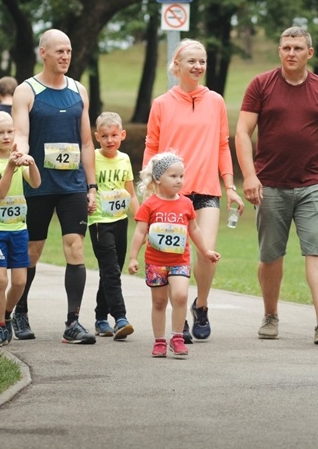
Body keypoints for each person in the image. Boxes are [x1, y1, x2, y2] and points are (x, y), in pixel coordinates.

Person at [234, 26, 318, 344]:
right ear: (279, 50)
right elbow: (243, 132)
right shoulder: (261, 85)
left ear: (309, 53)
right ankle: (271, 314)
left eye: (298, 48)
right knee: (271, 256)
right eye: (286, 47)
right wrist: (249, 175)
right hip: (270, 184)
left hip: (313, 184)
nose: (291, 53)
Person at [143, 38, 244, 343]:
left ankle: (201, 305)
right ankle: (179, 318)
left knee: (205, 252)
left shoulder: (215, 101)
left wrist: (230, 186)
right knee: (174, 256)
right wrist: (149, 189)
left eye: (202, 61)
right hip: (170, 194)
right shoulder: (161, 104)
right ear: (177, 66)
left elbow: (223, 145)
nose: (198, 66)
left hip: (207, 190)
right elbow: (151, 147)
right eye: (191, 61)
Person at [11, 29, 99, 344]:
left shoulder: (79, 90)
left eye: (69, 51)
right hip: (38, 183)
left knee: (75, 247)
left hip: (72, 184)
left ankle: (73, 322)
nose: (65, 57)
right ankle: (19, 311)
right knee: (33, 250)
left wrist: (92, 185)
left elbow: (87, 143)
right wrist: (21, 152)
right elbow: (20, 132)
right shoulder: (26, 91)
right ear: (43, 53)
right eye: (59, 51)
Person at [128, 152, 221, 357]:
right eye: (174, 176)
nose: (179, 180)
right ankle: (159, 341)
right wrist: (133, 257)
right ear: (158, 178)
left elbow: (194, 230)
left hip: (179, 261)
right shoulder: (150, 204)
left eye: (181, 176)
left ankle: (177, 337)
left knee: (180, 296)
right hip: (155, 262)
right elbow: (140, 232)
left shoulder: (186, 203)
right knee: (159, 302)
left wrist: (205, 251)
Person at [0, 111, 41, 346]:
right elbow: (1, 192)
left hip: (19, 229)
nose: (6, 137)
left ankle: (6, 314)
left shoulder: (18, 156)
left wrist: (31, 163)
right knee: (0, 281)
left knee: (19, 283)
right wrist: (11, 167)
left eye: (9, 131)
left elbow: (35, 183)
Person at [89, 112, 140, 340]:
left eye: (114, 135)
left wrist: (142, 221)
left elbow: (130, 193)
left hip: (120, 220)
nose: (110, 140)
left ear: (123, 134)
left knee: (112, 270)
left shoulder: (124, 159)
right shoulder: (91, 158)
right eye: (104, 136)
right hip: (100, 221)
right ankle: (120, 318)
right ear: (96, 137)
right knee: (110, 270)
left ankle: (101, 318)